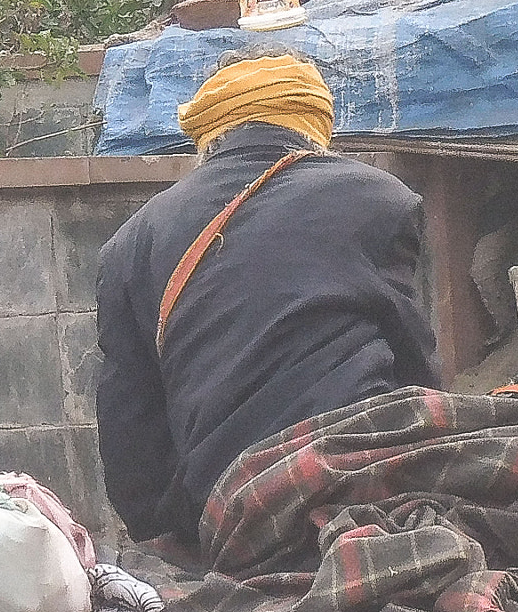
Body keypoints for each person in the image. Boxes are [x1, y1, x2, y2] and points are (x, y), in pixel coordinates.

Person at [94, 51, 439, 546]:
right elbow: (416, 367)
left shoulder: (130, 244)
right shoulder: (380, 199)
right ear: (314, 128)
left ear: (210, 137)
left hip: (231, 512)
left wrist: (179, 543)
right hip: (367, 485)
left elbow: (130, 431)